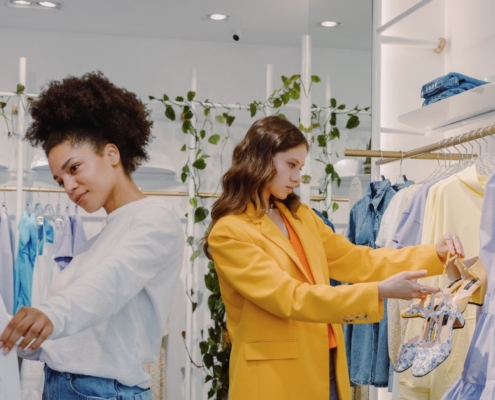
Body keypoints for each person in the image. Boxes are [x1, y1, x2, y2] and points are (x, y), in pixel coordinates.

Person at [203, 115, 465, 400]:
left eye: (300, 167)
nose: (296, 177)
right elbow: (289, 297)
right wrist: (379, 291)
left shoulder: (300, 216)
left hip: (326, 362)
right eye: (290, 165)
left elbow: (356, 259)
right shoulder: (229, 232)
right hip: (272, 379)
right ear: (261, 160)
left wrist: (432, 254)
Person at [0, 72, 184, 400]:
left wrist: (51, 314)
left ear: (111, 154)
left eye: (74, 169)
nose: (68, 187)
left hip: (100, 392)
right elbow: (86, 334)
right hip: (63, 385)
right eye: (59, 181)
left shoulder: (156, 220)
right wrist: (22, 337)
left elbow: (109, 284)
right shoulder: (97, 240)